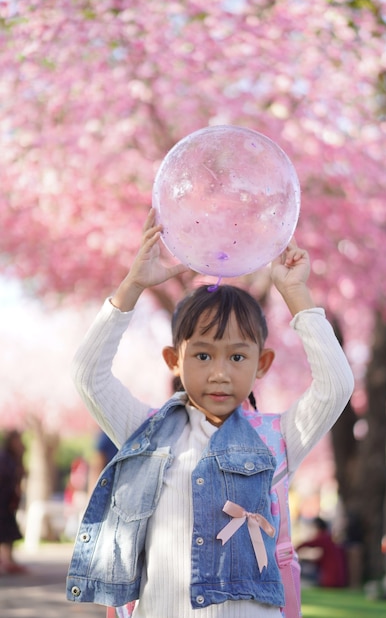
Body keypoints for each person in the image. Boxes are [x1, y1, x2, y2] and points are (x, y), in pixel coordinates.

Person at [67, 208, 354, 617]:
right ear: (174, 360)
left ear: (263, 364)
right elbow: (87, 375)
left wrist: (296, 294)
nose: (220, 373)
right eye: (202, 354)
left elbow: (337, 386)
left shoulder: (278, 438)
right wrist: (133, 284)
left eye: (238, 356)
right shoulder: (145, 431)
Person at [0, 429, 27, 575]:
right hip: (3, 499)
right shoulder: (4, 458)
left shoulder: (14, 458)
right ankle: (6, 560)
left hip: (9, 499)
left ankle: (8, 558)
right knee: (4, 529)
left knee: (8, 529)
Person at [296, 517, 347, 588]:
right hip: (338, 580)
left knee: (302, 570)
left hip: (330, 581)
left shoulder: (323, 537)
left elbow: (305, 544)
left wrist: (294, 550)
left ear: (317, 527)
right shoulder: (329, 538)